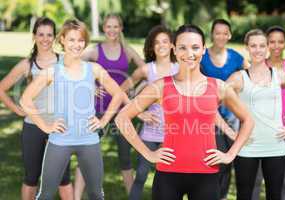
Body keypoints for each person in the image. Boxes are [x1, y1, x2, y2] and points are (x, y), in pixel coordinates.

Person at [115, 24, 254, 200]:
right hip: (168, 174)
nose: (189, 54)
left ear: (204, 49)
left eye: (195, 47)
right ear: (174, 49)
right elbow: (122, 118)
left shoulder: (218, 86)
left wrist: (230, 154)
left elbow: (248, 120)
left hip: (206, 174)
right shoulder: (160, 86)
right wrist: (148, 153)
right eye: (182, 47)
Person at [20, 19, 124, 200]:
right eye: (72, 40)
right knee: (45, 194)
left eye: (81, 40)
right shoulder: (52, 71)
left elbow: (118, 94)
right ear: (62, 40)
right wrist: (45, 126)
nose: (77, 45)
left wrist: (104, 120)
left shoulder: (94, 69)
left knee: (96, 194)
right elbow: (25, 100)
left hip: (89, 139)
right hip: (60, 140)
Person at [0, 17, 73, 200]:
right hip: (33, 127)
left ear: (55, 37)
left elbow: (80, 79)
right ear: (34, 37)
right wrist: (17, 110)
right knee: (31, 178)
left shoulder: (65, 61)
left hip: (59, 127)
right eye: (41, 34)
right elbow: (2, 88)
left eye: (49, 35)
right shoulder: (27, 65)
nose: (45, 39)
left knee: (63, 178)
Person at [74, 14, 146, 198]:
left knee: (124, 156)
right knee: (86, 153)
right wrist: (88, 85)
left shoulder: (127, 50)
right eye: (108, 27)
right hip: (98, 108)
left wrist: (136, 91)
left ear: (121, 28)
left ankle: (133, 196)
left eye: (116, 27)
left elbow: (146, 70)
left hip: (121, 110)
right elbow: (72, 63)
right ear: (104, 28)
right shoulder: (95, 50)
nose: (112, 30)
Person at [227, 29, 285, 200]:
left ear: (267, 48)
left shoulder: (281, 76)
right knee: (244, 196)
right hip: (247, 147)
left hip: (276, 146)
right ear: (247, 48)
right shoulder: (238, 78)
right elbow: (210, 105)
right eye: (253, 45)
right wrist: (231, 133)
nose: (258, 50)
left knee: (275, 195)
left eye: (262, 45)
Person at [120, 25, 178, 200]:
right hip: (151, 132)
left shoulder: (181, 68)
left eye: (165, 41)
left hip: (174, 133)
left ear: (172, 45)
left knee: (171, 178)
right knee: (142, 175)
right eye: (156, 42)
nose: (161, 45)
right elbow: (122, 91)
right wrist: (139, 113)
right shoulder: (146, 70)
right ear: (152, 47)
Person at [200, 19, 249, 200]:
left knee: (229, 160)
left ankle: (221, 196)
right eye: (217, 32)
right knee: (214, 158)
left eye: (224, 33)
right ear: (212, 34)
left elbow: (251, 76)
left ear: (229, 35)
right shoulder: (202, 56)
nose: (221, 36)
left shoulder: (236, 57)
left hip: (233, 115)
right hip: (208, 117)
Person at [251, 26, 285, 200]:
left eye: (280, 41)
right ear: (266, 44)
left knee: (284, 179)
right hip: (260, 132)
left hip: (284, 130)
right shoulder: (256, 66)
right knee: (255, 179)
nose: (276, 46)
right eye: (272, 42)